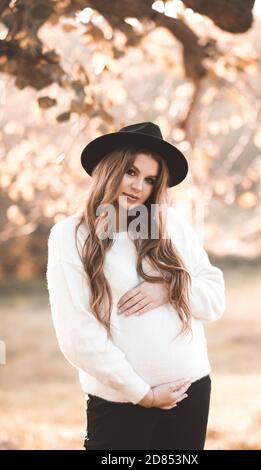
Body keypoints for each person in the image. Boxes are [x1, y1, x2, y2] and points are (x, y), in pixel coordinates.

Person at [46, 121, 226, 450]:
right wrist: (142, 394)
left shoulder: (170, 223)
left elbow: (215, 299)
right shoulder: (71, 236)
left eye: (150, 179)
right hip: (120, 405)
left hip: (191, 393)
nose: (138, 186)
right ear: (109, 168)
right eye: (131, 171)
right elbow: (77, 336)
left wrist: (171, 289)